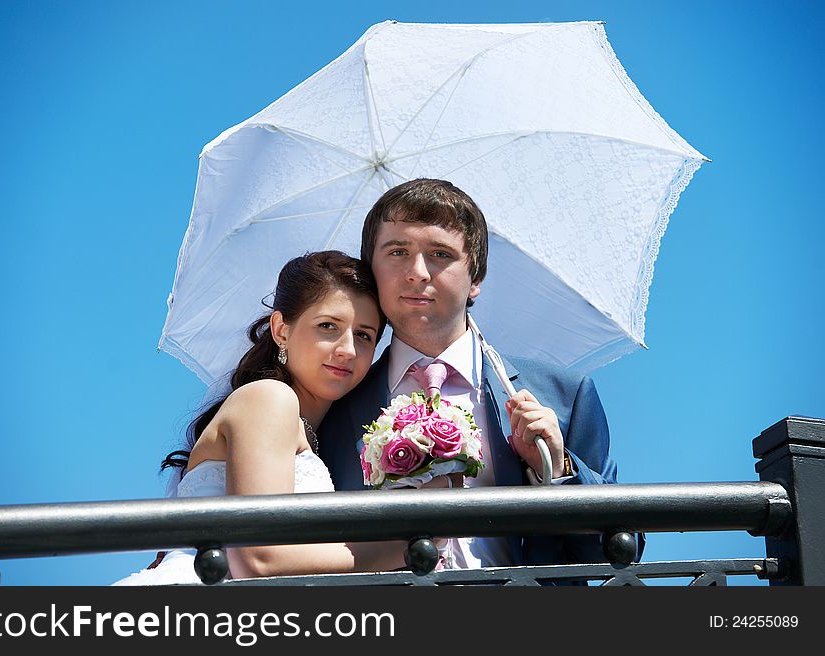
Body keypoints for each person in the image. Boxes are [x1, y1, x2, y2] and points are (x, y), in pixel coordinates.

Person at [318, 178, 644, 573]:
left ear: (476, 279)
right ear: (372, 271)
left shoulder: (565, 396)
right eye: (398, 252)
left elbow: (619, 551)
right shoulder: (331, 408)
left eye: (440, 254)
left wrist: (558, 473)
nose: (417, 272)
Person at [114, 251, 424, 585]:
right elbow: (259, 558)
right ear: (281, 330)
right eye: (328, 326)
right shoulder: (270, 398)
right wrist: (406, 546)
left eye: (364, 335)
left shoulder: (311, 431)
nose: (348, 349)